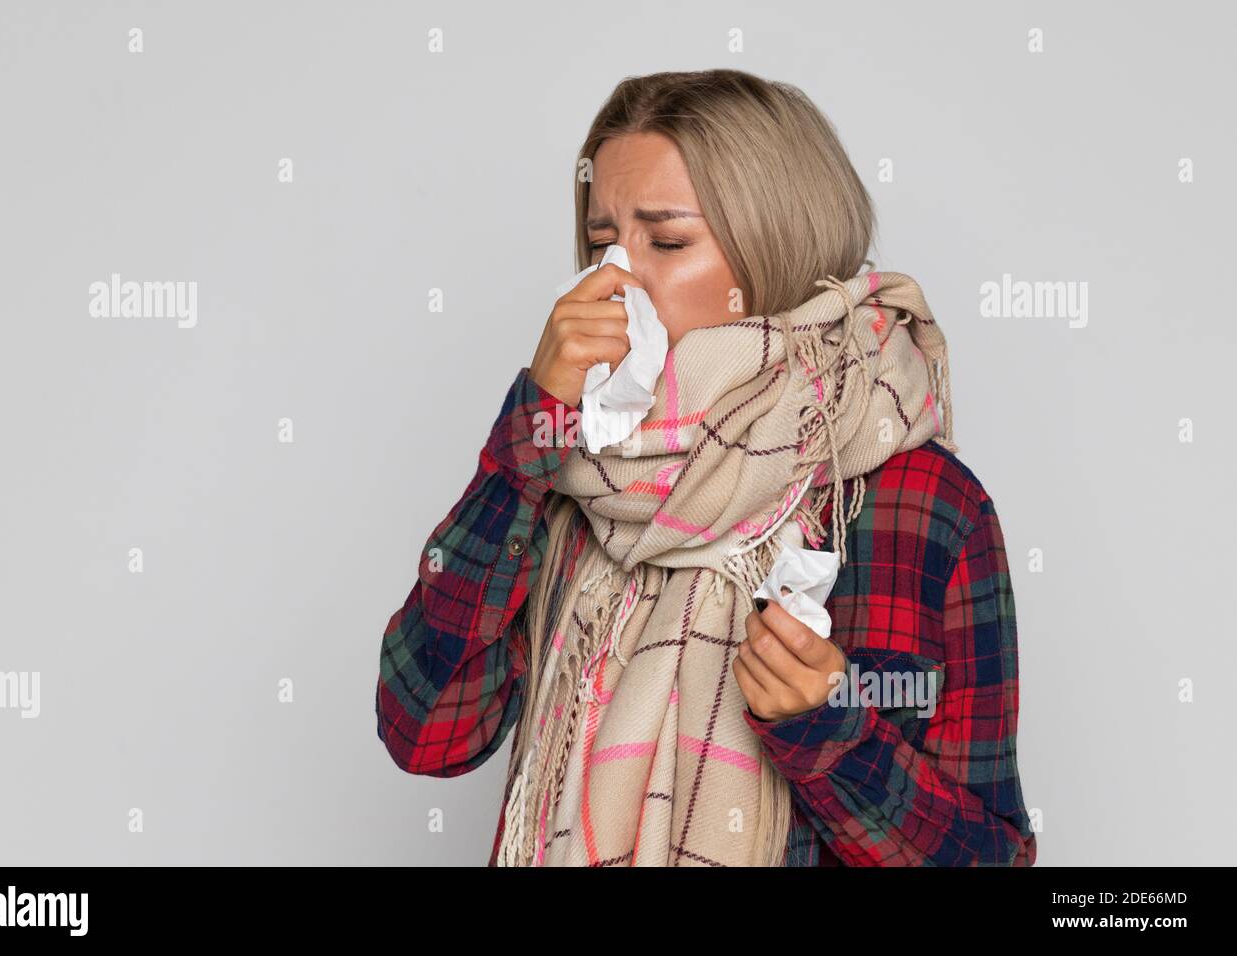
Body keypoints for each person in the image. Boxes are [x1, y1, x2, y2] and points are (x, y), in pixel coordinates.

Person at [376, 68, 1038, 867]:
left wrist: (827, 728)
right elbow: (428, 731)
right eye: (601, 245)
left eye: (667, 241)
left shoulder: (919, 503)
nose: (615, 284)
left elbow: (989, 860)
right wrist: (530, 436)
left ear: (773, 250)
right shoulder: (564, 470)